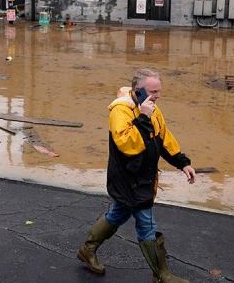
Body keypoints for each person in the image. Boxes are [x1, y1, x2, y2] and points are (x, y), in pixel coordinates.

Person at [77, 68, 196, 282]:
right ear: (137, 91)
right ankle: (161, 275)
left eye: (159, 91)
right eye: (153, 91)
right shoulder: (120, 111)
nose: (157, 96)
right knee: (146, 224)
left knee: (118, 214)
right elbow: (128, 145)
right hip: (128, 180)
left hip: (144, 179)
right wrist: (143, 117)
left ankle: (88, 249)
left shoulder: (153, 109)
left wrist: (182, 163)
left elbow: (164, 138)